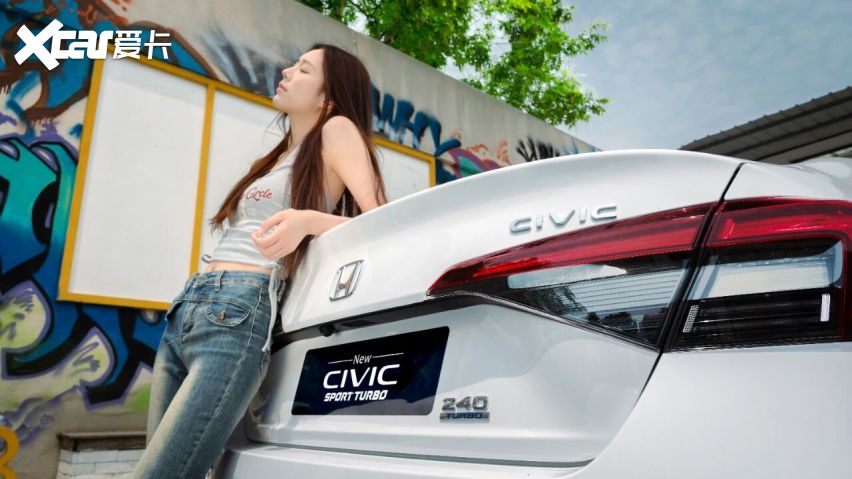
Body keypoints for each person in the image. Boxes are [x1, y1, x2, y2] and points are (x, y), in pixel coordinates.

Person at [133, 43, 388, 479]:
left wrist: (308, 221)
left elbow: (381, 223)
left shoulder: (337, 129)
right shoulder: (282, 155)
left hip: (237, 313)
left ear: (327, 98)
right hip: (189, 309)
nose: (286, 71)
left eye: (303, 69)